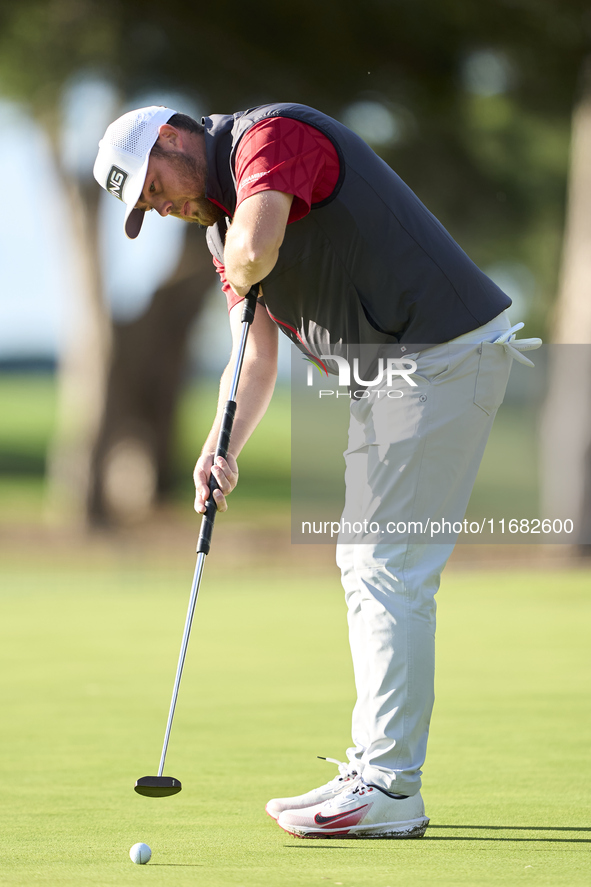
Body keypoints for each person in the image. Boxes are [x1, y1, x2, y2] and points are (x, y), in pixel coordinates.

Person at [94, 103, 539, 839]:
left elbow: (257, 253)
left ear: (173, 138)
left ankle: (391, 785)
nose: (162, 207)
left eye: (153, 187)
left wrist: (232, 245)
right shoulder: (219, 224)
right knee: (365, 564)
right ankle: (373, 768)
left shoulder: (270, 139)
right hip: (391, 375)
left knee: (385, 564)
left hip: (441, 353)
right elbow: (255, 354)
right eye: (146, 206)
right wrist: (220, 445)